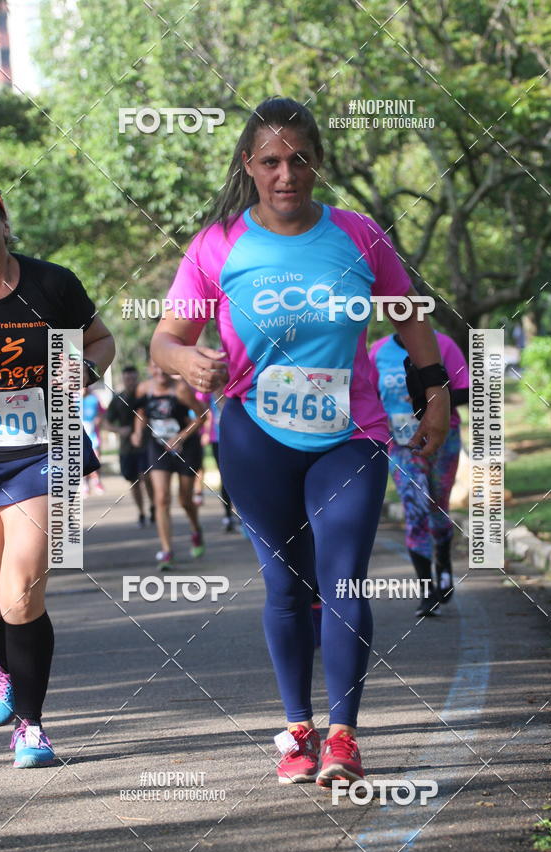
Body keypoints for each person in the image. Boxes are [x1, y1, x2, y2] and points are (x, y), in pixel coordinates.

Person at [150, 97, 450, 787]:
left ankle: (343, 735)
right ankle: (297, 731)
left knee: (343, 576)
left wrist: (434, 395)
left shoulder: (360, 235)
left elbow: (409, 320)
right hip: (254, 434)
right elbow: (165, 339)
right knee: (285, 587)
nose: (287, 174)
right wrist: (186, 362)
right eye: (271, 161)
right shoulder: (218, 243)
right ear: (250, 167)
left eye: (300, 159)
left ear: (318, 161)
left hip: (350, 433)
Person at [0, 178, 114, 767]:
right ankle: (8, 666)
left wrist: (79, 372)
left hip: (45, 445)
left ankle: (30, 726)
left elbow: (101, 341)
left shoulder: (52, 283)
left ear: (4, 223)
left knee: (22, 587)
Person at [369, 331, 469, 617]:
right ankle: (427, 590)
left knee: (438, 507)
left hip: (442, 438)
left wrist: (429, 396)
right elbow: (369, 394)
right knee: (415, 508)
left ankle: (445, 565)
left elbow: (465, 389)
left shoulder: (444, 344)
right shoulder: (378, 352)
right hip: (401, 445)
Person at [131, 361, 206, 569]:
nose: (160, 371)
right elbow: (140, 412)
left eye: (164, 367)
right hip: (159, 447)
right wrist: (137, 431)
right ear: (149, 369)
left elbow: (202, 415)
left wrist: (181, 436)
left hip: (186, 448)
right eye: (155, 367)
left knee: (185, 500)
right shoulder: (144, 389)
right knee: (161, 498)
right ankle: (166, 551)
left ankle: (195, 528)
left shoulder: (180, 389)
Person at [105, 364, 154, 526]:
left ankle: (154, 506)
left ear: (137, 378)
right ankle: (141, 512)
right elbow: (106, 423)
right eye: (128, 379)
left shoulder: (145, 396)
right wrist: (119, 430)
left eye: (133, 378)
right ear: (123, 380)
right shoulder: (117, 399)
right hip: (127, 448)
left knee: (147, 477)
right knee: (134, 482)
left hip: (147, 444)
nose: (131, 382)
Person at [195, 388, 235, 532]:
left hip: (236, 437)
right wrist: (205, 432)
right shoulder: (208, 388)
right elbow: (203, 411)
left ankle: (245, 517)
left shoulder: (235, 382)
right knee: (225, 477)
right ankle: (228, 515)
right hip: (217, 438)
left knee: (239, 477)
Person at [82, 383, 105, 495]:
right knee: (82, 459)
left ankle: (97, 482)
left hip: (93, 435)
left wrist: (98, 419)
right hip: (79, 435)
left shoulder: (94, 398)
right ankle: (84, 484)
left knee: (96, 458)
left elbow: (102, 412)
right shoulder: (72, 399)